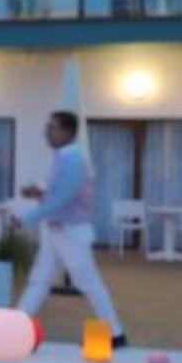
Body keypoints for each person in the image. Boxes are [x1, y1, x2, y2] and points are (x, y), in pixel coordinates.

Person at [15, 109, 126, 343]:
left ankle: (115, 333)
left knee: (88, 282)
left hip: (71, 232)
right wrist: (37, 193)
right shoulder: (62, 159)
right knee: (39, 280)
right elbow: (57, 194)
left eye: (52, 128)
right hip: (55, 229)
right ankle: (16, 326)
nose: (46, 132)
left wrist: (27, 217)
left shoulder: (74, 161)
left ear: (67, 132)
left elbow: (63, 198)